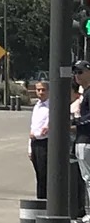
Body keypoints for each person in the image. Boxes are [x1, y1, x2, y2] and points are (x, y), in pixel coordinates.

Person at [72, 60, 90, 223]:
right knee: (86, 177)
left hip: (87, 140)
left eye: (80, 72)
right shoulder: (84, 93)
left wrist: (76, 122)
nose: (76, 75)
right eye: (75, 72)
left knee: (88, 177)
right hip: (81, 139)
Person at [28, 81, 49, 200]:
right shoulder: (36, 106)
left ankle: (45, 200)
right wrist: (30, 148)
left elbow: (46, 129)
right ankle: (40, 199)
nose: (40, 92)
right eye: (38, 90)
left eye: (43, 90)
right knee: (39, 175)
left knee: (44, 174)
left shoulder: (51, 106)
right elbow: (33, 127)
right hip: (34, 142)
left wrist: (40, 132)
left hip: (44, 143)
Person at [70, 78, 86, 220]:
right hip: (76, 144)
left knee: (86, 178)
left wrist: (74, 123)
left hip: (82, 142)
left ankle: (84, 209)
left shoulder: (78, 104)